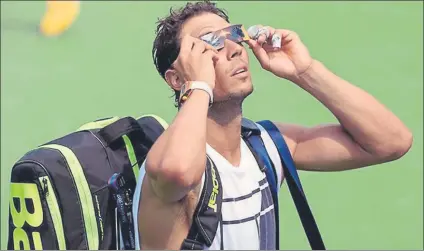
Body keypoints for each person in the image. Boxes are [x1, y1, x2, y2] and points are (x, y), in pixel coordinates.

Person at [133, 1, 413, 250]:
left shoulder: (265, 147)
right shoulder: (169, 162)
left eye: (234, 36)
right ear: (176, 79)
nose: (235, 50)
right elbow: (179, 173)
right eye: (211, 42)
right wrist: (197, 86)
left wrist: (305, 71)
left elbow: (391, 142)